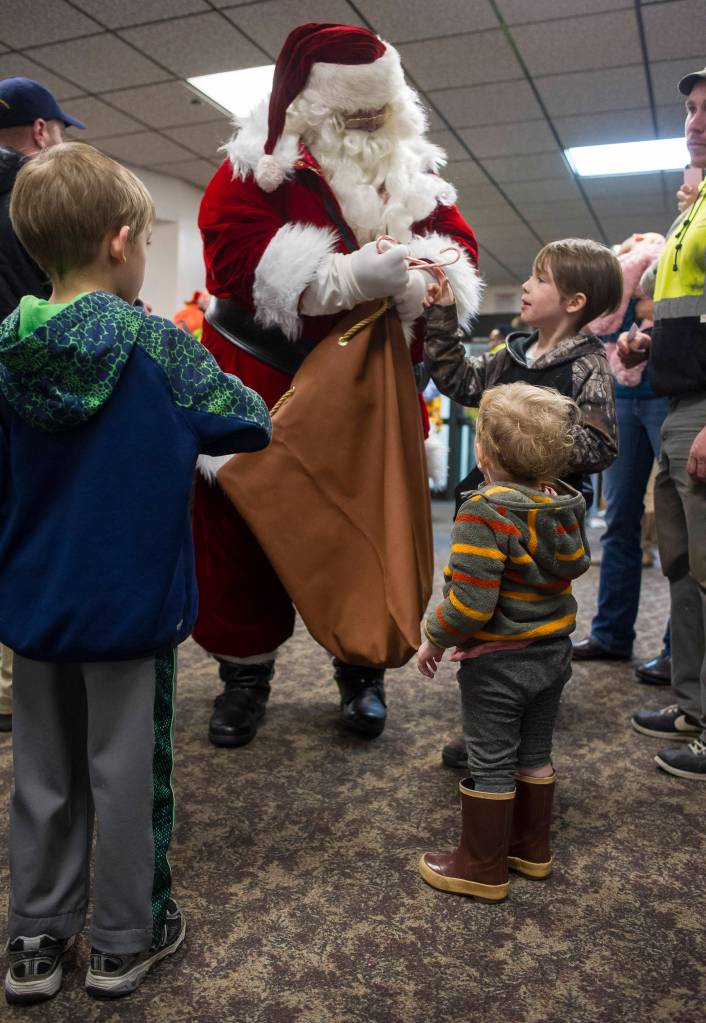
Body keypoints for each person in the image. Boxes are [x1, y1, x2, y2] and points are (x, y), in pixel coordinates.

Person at [0, 141, 271, 1004]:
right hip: (130, 610)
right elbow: (248, 419)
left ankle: (36, 937)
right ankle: (124, 937)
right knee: (127, 771)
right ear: (121, 242)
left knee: (41, 770)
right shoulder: (159, 346)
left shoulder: (4, 350)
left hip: (33, 603)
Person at [194, 22, 481, 749]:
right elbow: (235, 263)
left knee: (369, 528)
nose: (367, 125)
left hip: (368, 388)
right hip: (259, 376)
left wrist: (420, 273)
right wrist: (348, 277)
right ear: (310, 103)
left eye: (377, 110)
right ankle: (244, 676)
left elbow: (459, 248)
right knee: (241, 530)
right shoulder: (251, 168)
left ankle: (363, 669)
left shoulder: (411, 169)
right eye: (353, 112)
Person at [423, 238, 621, 768]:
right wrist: (442, 315)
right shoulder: (510, 353)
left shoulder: (588, 366)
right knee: (477, 604)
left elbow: (601, 444)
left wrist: (532, 451)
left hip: (542, 522)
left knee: (528, 619)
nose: (526, 287)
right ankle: (488, 721)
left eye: (539, 279)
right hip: (486, 512)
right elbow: (458, 381)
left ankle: (512, 727)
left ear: (574, 302)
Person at [416, 381, 591, 902]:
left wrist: (434, 638)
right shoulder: (561, 504)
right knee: (535, 752)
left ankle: (482, 866)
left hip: (499, 665)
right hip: (553, 654)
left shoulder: (481, 512)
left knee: (490, 761)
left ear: (485, 453)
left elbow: (471, 604)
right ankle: (530, 850)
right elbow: (576, 564)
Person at [625, 66, 706, 780]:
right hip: (680, 402)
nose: (695, 120)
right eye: (690, 108)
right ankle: (694, 706)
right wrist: (652, 342)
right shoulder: (695, 206)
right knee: (683, 568)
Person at [0, 76, 86, 732]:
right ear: (40, 132)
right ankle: (22, 682)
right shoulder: (38, 196)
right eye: (58, 131)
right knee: (30, 526)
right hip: (25, 386)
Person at [571, 233, 671, 668]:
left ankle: (678, 651)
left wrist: (655, 311)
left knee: (681, 527)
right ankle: (611, 635)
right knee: (618, 522)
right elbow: (598, 323)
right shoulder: (620, 278)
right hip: (624, 400)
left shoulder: (670, 265)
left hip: (672, 393)